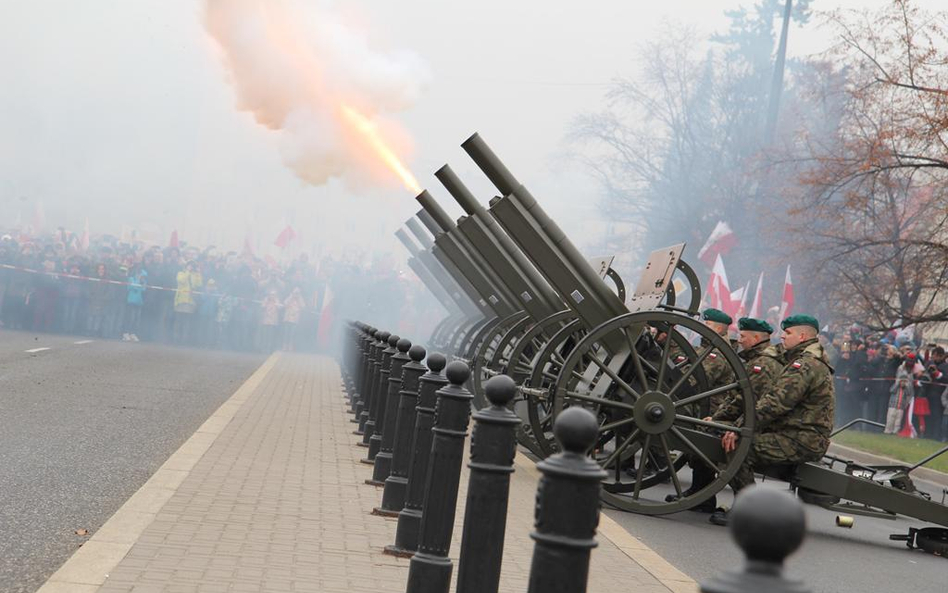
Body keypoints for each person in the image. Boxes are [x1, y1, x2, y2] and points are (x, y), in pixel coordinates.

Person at [710, 314, 835, 526]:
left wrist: (740, 428)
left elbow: (774, 403)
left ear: (802, 336)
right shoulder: (802, 360)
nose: (782, 337)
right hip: (793, 432)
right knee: (727, 433)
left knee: (739, 446)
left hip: (802, 438)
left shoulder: (805, 365)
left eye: (787, 333)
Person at [664, 308, 736, 513]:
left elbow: (696, 379)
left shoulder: (718, 353)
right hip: (700, 406)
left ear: (720, 329)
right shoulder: (707, 349)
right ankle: (698, 492)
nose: (703, 328)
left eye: (709, 325)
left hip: (713, 408)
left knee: (702, 446)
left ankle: (702, 496)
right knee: (696, 448)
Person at [712, 317, 785, 425]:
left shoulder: (762, 364)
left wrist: (716, 419)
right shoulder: (756, 360)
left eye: (742, 336)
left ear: (756, 338)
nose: (739, 341)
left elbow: (745, 400)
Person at [885, 354, 917, 434]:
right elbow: (892, 389)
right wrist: (900, 382)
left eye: (912, 361)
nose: (910, 362)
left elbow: (910, 390)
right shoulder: (901, 367)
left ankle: (896, 431)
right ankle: (888, 430)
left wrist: (907, 384)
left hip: (906, 396)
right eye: (909, 360)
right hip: (894, 400)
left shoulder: (915, 368)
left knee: (899, 418)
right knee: (891, 417)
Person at [173, 260, 203, 344]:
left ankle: (184, 340)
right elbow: (181, 280)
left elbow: (199, 284)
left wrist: (198, 273)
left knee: (187, 323)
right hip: (181, 301)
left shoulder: (194, 275)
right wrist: (187, 271)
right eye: (189, 265)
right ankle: (176, 339)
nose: (191, 267)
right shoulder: (181, 273)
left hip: (190, 302)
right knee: (178, 321)